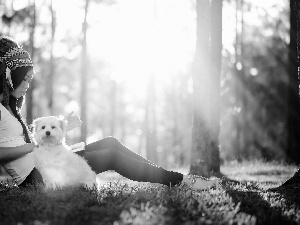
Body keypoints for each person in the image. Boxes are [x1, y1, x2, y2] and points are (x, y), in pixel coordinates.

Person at [0, 35, 219, 190]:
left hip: (49, 159)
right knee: (112, 156)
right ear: (9, 75)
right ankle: (184, 181)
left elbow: (36, 136)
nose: (28, 85)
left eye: (30, 79)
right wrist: (33, 145)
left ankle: (165, 175)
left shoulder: (11, 107)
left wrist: (62, 126)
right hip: (39, 176)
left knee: (111, 142)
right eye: (25, 78)